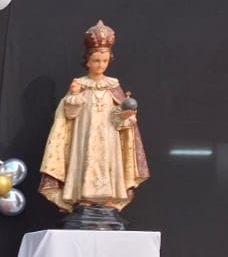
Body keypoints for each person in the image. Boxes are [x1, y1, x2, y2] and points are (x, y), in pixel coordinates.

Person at [38, 20, 151, 213]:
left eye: (104, 61)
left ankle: (108, 198)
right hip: (84, 135)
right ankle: (83, 197)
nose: (100, 65)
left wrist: (125, 115)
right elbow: (68, 116)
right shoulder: (80, 84)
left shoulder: (113, 86)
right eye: (96, 61)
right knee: (85, 160)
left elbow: (118, 120)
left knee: (108, 163)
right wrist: (74, 96)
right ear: (88, 61)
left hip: (108, 137)